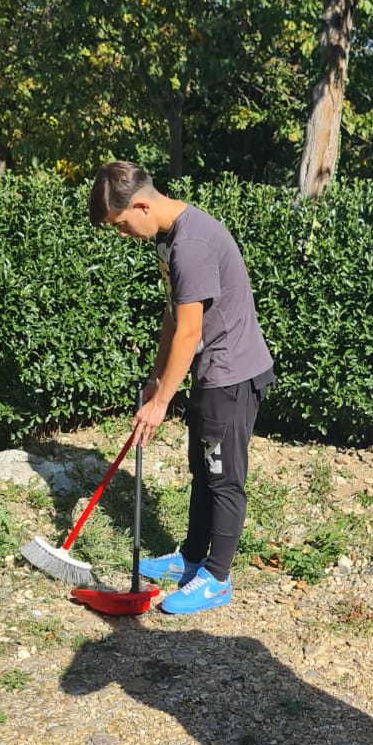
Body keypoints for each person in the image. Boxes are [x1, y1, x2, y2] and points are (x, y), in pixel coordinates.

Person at [89, 162, 274, 614]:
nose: (122, 234)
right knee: (202, 469)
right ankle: (191, 559)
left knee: (223, 477)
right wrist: (156, 379)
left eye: (121, 224)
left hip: (232, 374)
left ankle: (217, 579)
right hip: (212, 371)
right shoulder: (168, 238)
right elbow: (174, 314)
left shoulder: (191, 245)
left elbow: (190, 333)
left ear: (141, 205)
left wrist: (160, 405)